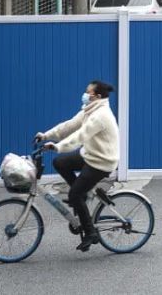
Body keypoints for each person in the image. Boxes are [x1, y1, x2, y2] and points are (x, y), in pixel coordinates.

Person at [35, 81, 119, 252]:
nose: (85, 94)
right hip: (90, 155)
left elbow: (80, 136)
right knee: (59, 162)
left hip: (102, 161)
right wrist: (45, 136)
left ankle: (90, 233)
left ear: (97, 96)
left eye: (88, 92)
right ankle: (82, 195)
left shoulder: (100, 116)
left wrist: (58, 147)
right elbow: (69, 126)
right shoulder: (90, 110)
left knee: (74, 194)